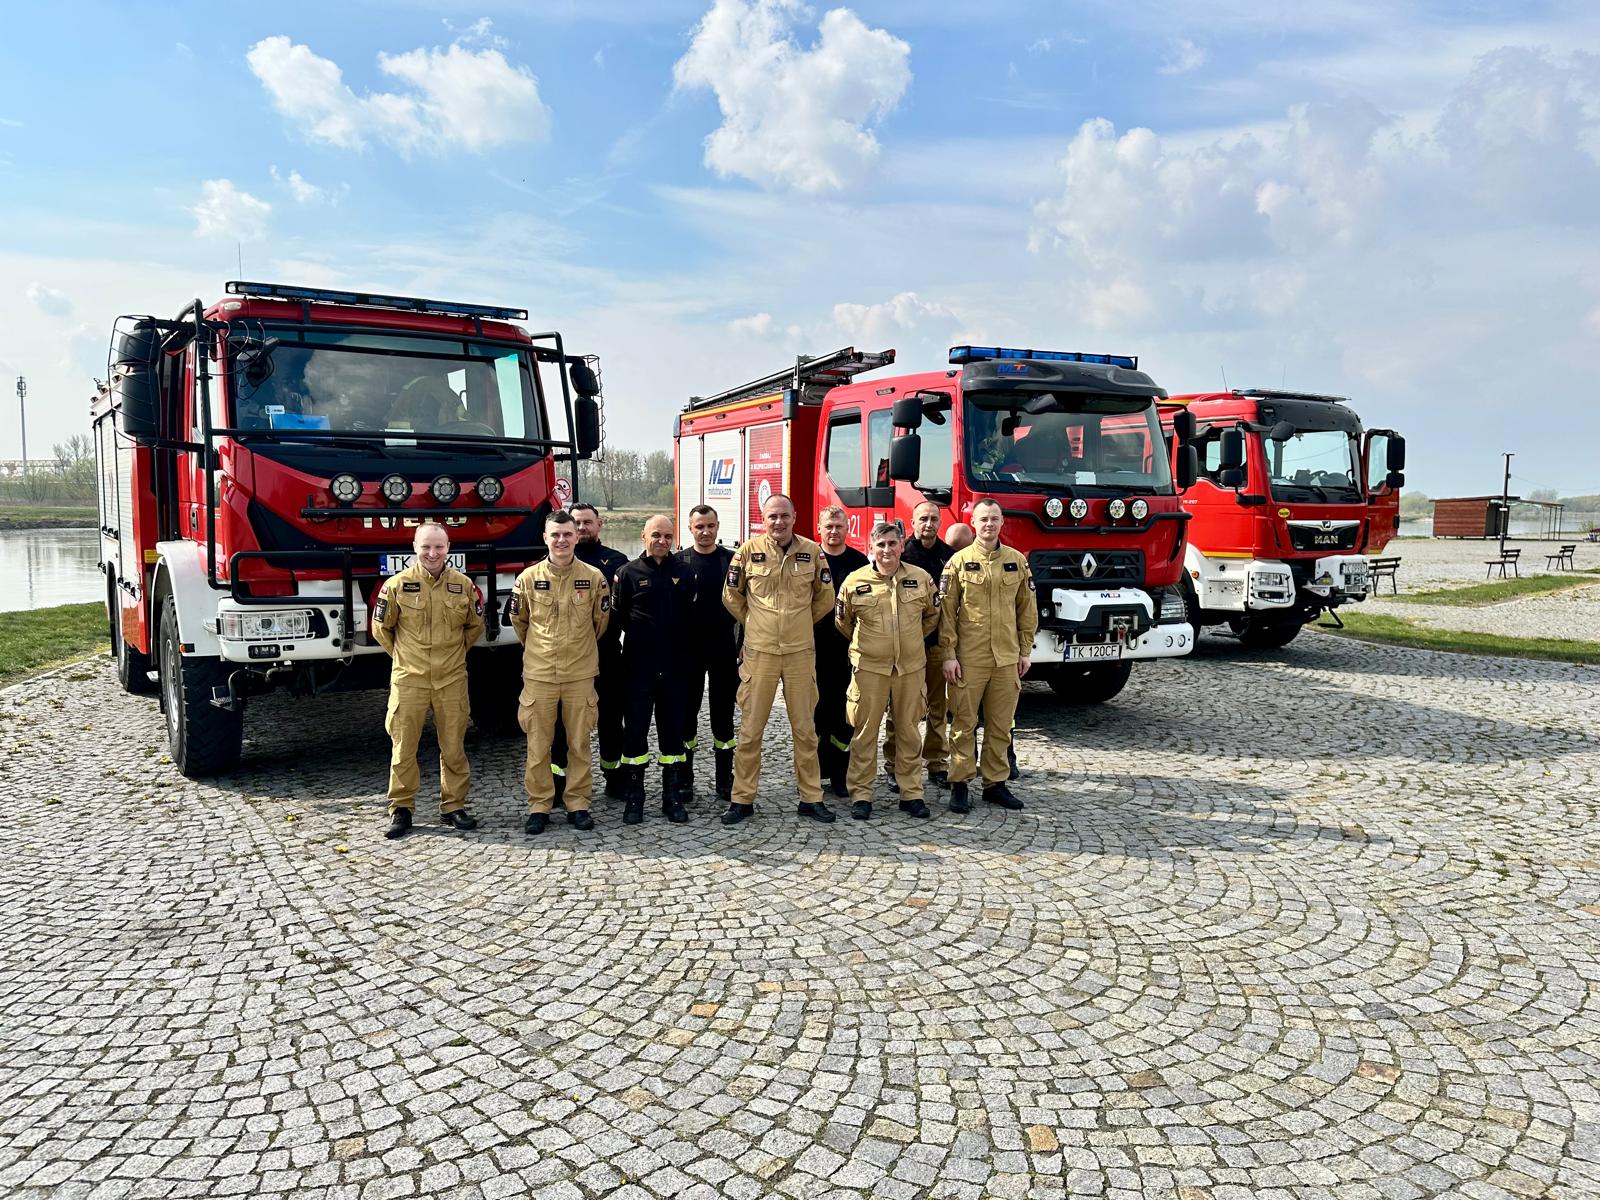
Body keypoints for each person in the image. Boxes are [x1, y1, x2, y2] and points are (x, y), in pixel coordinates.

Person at [721, 493, 837, 824]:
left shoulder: (812, 552)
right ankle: (742, 799)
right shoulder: (748, 552)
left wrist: (799, 623)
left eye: (785, 515)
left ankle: (811, 797)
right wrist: (755, 622)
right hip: (760, 653)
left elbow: (825, 598)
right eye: (772, 516)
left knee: (805, 730)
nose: (779, 522)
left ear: (794, 517)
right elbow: (731, 595)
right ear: (763, 518)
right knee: (750, 730)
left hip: (800, 653)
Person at [371, 522, 483, 839]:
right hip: (410, 679)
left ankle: (453, 806)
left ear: (448, 548)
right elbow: (381, 630)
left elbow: (474, 627)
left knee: (454, 746)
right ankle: (402, 808)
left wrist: (451, 656)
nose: (432, 553)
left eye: (438, 547)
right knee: (404, 747)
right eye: (426, 547)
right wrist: (407, 658)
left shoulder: (463, 586)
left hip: (451, 679)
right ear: (415, 548)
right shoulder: (396, 585)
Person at [510, 510, 611, 834]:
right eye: (555, 534)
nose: (562, 540)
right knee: (538, 745)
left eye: (568, 534)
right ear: (545, 538)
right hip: (539, 674)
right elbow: (520, 623)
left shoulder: (594, 578)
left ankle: (578, 803)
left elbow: (599, 623)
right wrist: (541, 651)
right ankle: (539, 806)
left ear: (576, 537)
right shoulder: (527, 579)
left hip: (579, 673)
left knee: (579, 743)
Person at [938, 498, 1038, 814]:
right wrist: (948, 654)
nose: (989, 524)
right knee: (963, 723)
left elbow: (1027, 609)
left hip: (1006, 658)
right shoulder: (958, 562)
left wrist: (1025, 650)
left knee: (1000, 725)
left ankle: (995, 784)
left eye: (994, 518)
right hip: (969, 658)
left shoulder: (1017, 562)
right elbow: (947, 613)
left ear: (1002, 522)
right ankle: (960, 783)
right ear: (973, 523)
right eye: (983, 519)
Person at [835, 522, 939, 821]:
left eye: (892, 543)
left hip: (910, 668)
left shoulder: (920, 579)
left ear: (902, 546)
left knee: (909, 732)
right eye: (880, 544)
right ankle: (861, 794)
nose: (887, 550)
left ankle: (911, 793)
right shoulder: (855, 581)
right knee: (864, 733)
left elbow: (932, 617)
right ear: (871, 547)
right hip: (870, 668)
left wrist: (909, 643)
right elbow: (844, 622)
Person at [611, 515, 692, 824]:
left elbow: (691, 614)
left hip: (674, 667)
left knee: (673, 732)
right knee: (635, 733)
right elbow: (618, 618)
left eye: (668, 536)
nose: (662, 541)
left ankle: (671, 796)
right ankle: (635, 797)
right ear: (643, 537)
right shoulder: (627, 573)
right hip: (638, 667)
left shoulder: (684, 572)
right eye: (656, 535)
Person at [551, 502, 629, 801]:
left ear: (599, 525)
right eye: (577, 523)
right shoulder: (555, 562)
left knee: (611, 718)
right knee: (563, 723)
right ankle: (560, 781)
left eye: (587, 522)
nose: (582, 528)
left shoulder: (617, 561)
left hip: (606, 652)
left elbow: (622, 609)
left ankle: (614, 777)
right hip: (566, 658)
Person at [885, 500, 956, 788]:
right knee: (900, 709)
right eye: (923, 518)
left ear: (940, 523)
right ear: (912, 522)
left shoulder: (949, 558)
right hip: (905, 647)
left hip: (937, 644)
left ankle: (937, 763)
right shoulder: (901, 555)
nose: (928, 524)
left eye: (934, 519)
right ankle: (894, 765)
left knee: (937, 709)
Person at [675, 504, 738, 805]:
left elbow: (746, 605)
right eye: (699, 526)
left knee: (723, 716)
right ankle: (684, 779)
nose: (705, 531)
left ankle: (725, 779)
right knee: (687, 715)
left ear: (717, 526)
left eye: (710, 526)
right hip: (689, 650)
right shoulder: (679, 562)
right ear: (690, 528)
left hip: (723, 648)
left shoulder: (732, 560)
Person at [813, 505, 868, 797]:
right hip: (813, 648)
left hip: (847, 649)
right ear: (819, 529)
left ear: (848, 529)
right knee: (815, 712)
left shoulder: (859, 562)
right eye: (829, 526)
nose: (834, 531)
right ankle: (814, 773)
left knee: (844, 714)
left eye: (839, 526)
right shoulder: (810, 558)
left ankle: (839, 773)